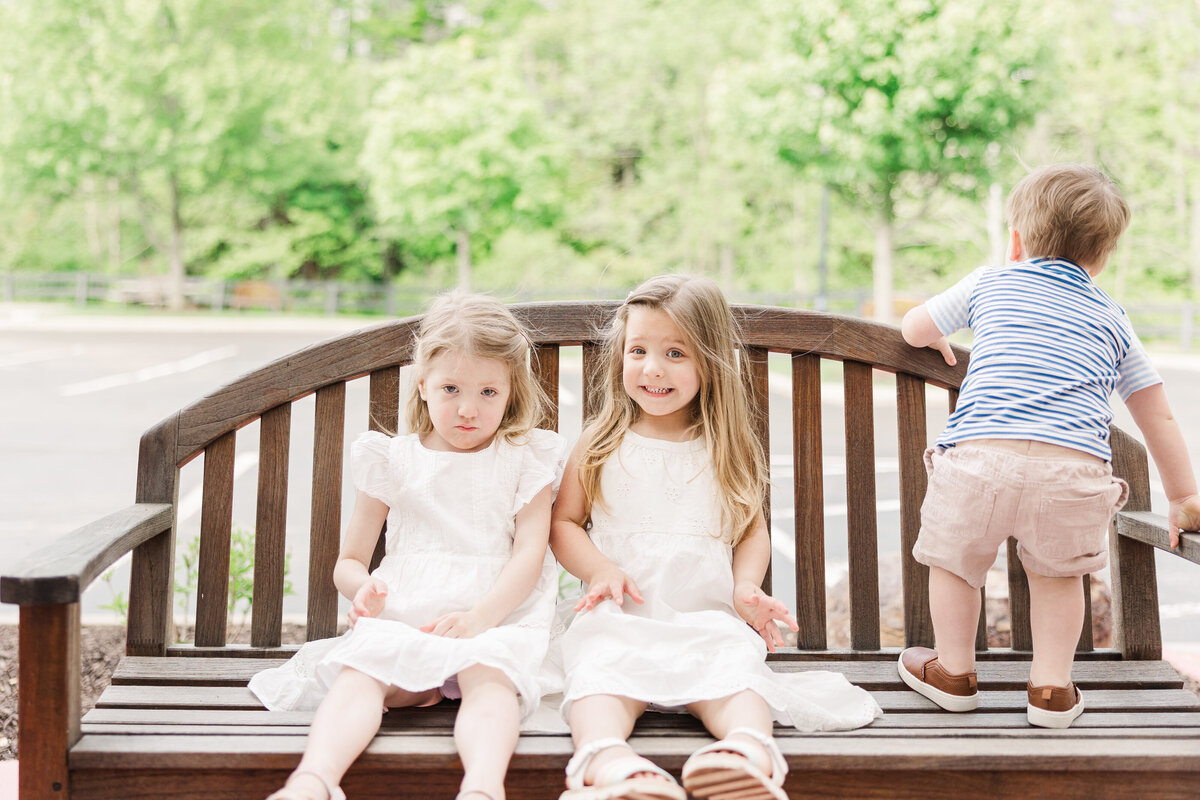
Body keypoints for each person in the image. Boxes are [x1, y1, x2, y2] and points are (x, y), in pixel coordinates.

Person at [549, 275, 882, 800]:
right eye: (638, 350)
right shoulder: (600, 440)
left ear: (709, 362)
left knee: (734, 668)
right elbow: (564, 523)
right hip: (621, 614)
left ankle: (746, 753)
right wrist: (598, 570)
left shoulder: (725, 445)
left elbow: (751, 528)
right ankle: (609, 762)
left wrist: (745, 586)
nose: (652, 367)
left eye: (675, 353)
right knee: (599, 671)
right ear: (620, 356)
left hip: (706, 616)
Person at [899, 162, 1200, 729]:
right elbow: (1154, 409)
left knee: (956, 566)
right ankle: (1052, 690)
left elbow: (914, 327)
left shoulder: (991, 282)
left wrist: (939, 332)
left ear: (1017, 240)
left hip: (978, 462)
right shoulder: (1113, 317)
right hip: (1072, 475)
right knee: (1060, 577)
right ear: (1104, 255)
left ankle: (955, 673)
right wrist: (1183, 495)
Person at [249, 291, 566, 800]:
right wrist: (364, 589)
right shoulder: (392, 459)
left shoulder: (524, 457)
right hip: (408, 613)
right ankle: (314, 780)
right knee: (362, 673)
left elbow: (530, 553)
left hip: (494, 615)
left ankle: (483, 788)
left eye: (488, 392)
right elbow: (349, 562)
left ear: (511, 392)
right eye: (451, 388)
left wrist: (480, 619)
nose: (468, 408)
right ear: (423, 386)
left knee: (491, 681)